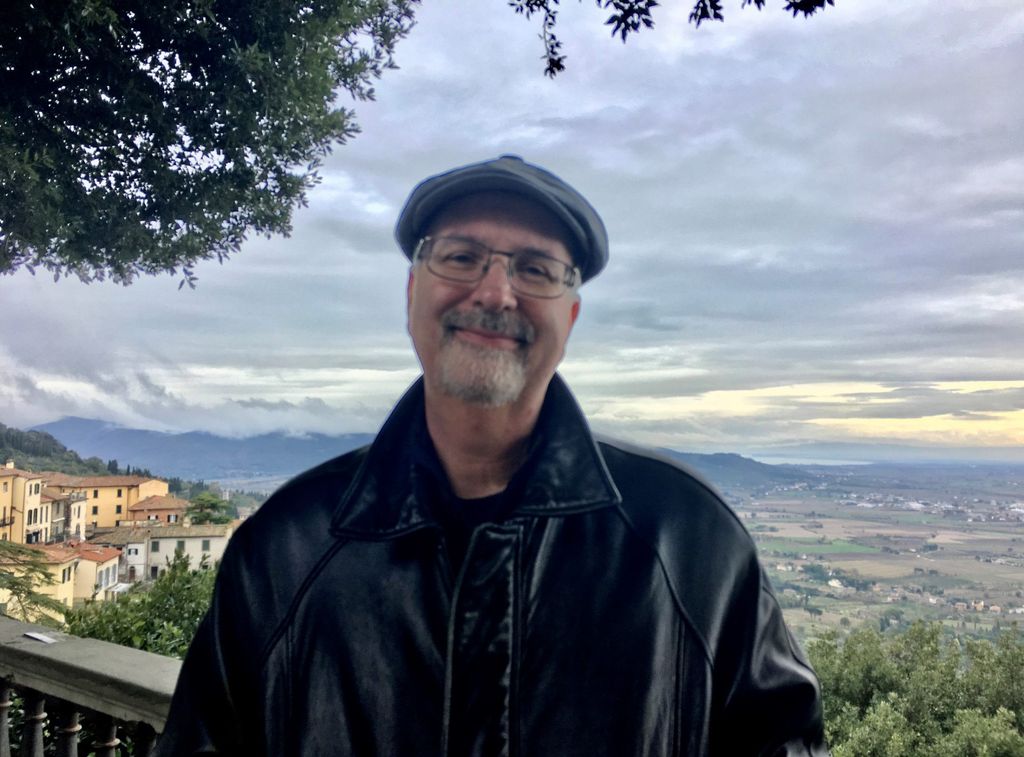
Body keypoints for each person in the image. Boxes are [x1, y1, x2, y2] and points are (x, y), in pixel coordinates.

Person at [157, 155, 828, 756]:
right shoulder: (284, 549)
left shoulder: (691, 542)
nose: (495, 291)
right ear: (412, 293)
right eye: (461, 257)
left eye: (535, 269)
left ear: (569, 319)